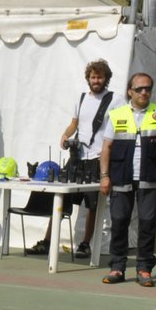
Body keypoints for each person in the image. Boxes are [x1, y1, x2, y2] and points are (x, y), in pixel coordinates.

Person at [99, 72, 156, 287]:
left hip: (150, 178)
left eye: (148, 88)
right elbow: (107, 147)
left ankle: (144, 268)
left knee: (148, 223)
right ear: (130, 91)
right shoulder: (117, 114)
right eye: (139, 88)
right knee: (119, 221)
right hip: (121, 177)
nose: (144, 92)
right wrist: (104, 176)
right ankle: (117, 267)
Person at [47, 59, 114, 257]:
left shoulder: (115, 99)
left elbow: (118, 128)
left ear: (106, 78)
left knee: (92, 204)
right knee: (61, 196)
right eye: (93, 77)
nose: (96, 80)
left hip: (97, 157)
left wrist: (108, 150)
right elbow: (74, 123)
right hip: (78, 156)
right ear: (88, 78)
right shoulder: (82, 98)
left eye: (99, 77)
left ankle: (85, 243)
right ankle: (48, 239)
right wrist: (65, 135)